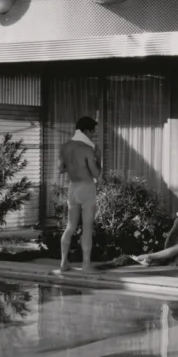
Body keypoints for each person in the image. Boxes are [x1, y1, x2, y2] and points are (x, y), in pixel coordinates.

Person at [55, 116, 100, 273]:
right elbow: (96, 173)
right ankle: (86, 265)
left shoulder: (64, 147)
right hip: (86, 187)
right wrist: (98, 158)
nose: (93, 136)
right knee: (87, 227)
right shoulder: (87, 148)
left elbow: (60, 169)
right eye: (92, 132)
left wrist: (74, 166)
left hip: (73, 187)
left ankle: (63, 263)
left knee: (70, 227)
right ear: (86, 131)